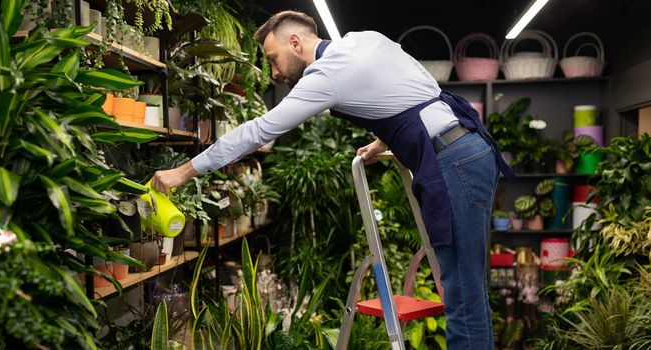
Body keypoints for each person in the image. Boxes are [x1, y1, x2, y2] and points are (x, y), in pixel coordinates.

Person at [151, 10, 513, 349]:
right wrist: (383, 140)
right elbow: (411, 88)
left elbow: (258, 131)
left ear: (296, 43)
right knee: (468, 290)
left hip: (454, 162)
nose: (274, 72)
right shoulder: (363, 40)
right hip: (466, 149)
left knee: (462, 296)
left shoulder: (327, 74)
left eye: (274, 58)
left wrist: (183, 172)